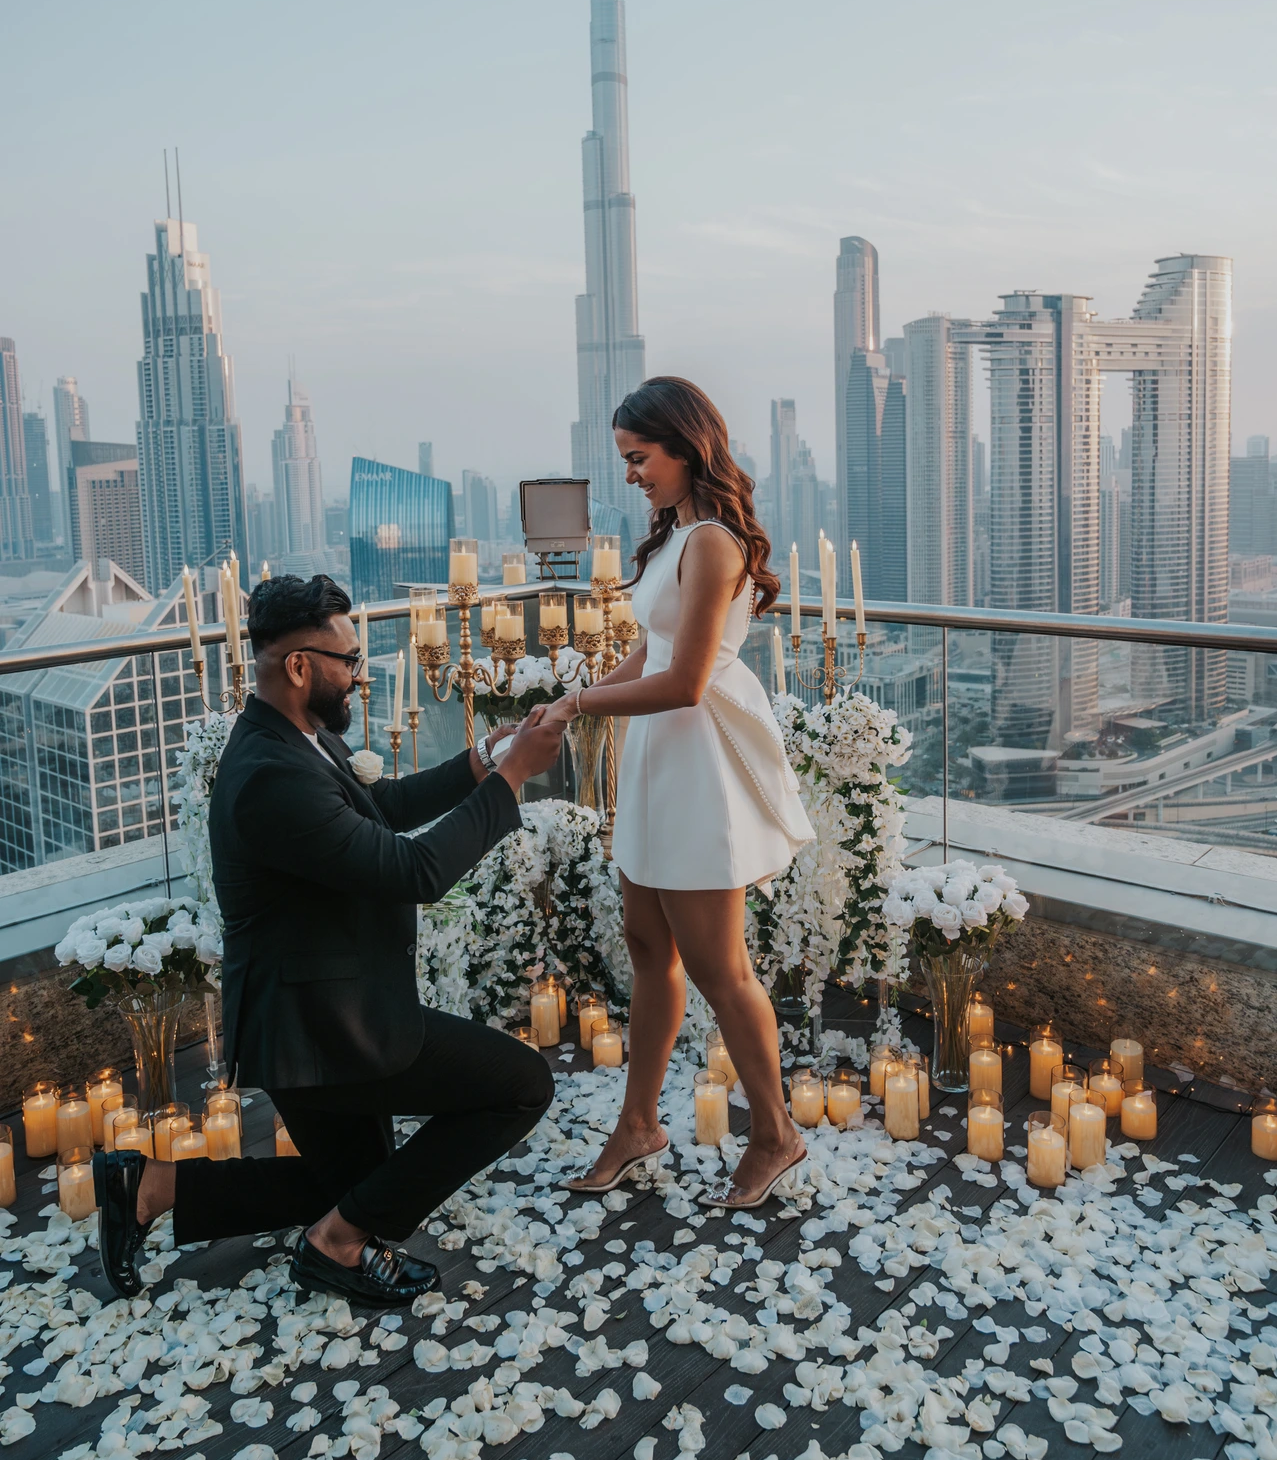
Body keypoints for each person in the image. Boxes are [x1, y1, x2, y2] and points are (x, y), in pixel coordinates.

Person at [94, 573, 565, 1306]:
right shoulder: (268, 774)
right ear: (299, 666)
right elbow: (413, 869)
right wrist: (511, 781)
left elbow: (379, 810)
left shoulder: (295, 740)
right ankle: (336, 1246)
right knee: (520, 1085)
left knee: (343, 1185)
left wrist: (480, 761)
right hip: (319, 1026)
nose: (359, 675)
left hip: (317, 1008)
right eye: (348, 660)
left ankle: (149, 1185)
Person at [541, 378, 815, 1208]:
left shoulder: (713, 545)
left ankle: (775, 1133)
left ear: (685, 446)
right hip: (657, 756)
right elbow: (651, 654)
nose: (630, 473)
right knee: (645, 944)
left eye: (638, 457)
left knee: (718, 967)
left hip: (697, 762)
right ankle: (637, 1125)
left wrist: (582, 704)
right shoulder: (675, 537)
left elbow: (687, 682)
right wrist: (575, 695)